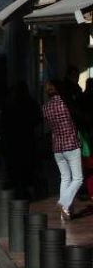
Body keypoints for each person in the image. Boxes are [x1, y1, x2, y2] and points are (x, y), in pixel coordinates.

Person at [42, 79, 83, 222]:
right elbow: (78, 117)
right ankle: (63, 203)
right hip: (71, 144)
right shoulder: (66, 103)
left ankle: (65, 213)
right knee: (78, 178)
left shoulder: (46, 107)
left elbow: (49, 126)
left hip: (57, 147)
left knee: (65, 178)